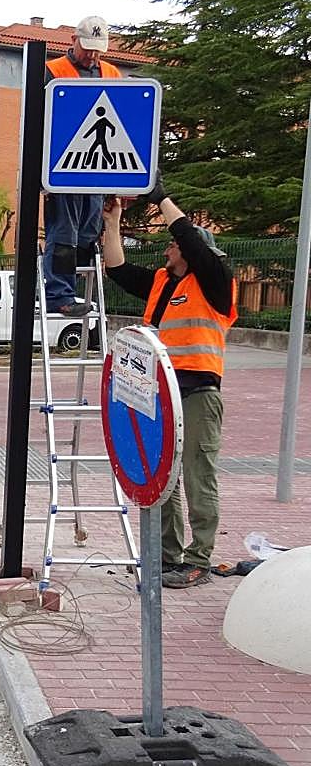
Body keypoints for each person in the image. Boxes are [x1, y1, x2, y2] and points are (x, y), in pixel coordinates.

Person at [101, 182, 238, 588]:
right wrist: (113, 223)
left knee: (198, 476)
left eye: (173, 246)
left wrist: (158, 196)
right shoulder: (164, 282)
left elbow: (190, 240)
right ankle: (166, 556)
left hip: (197, 394)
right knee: (164, 478)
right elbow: (119, 271)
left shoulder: (214, 282)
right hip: (160, 396)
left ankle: (198, 559)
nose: (167, 250)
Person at [43, 15, 123, 316]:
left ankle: (79, 289)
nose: (91, 55)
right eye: (87, 48)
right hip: (64, 169)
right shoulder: (53, 71)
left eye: (97, 49)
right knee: (65, 230)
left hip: (98, 170)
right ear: (72, 41)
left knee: (89, 231)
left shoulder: (112, 74)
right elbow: (42, 124)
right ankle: (59, 294)